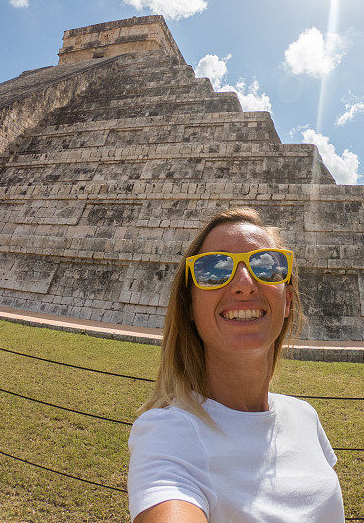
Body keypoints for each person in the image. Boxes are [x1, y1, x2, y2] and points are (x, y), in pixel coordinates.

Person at [128, 207, 344, 522]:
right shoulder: (169, 435)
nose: (244, 283)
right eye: (214, 268)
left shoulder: (304, 417)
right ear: (189, 304)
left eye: (266, 266)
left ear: (287, 301)